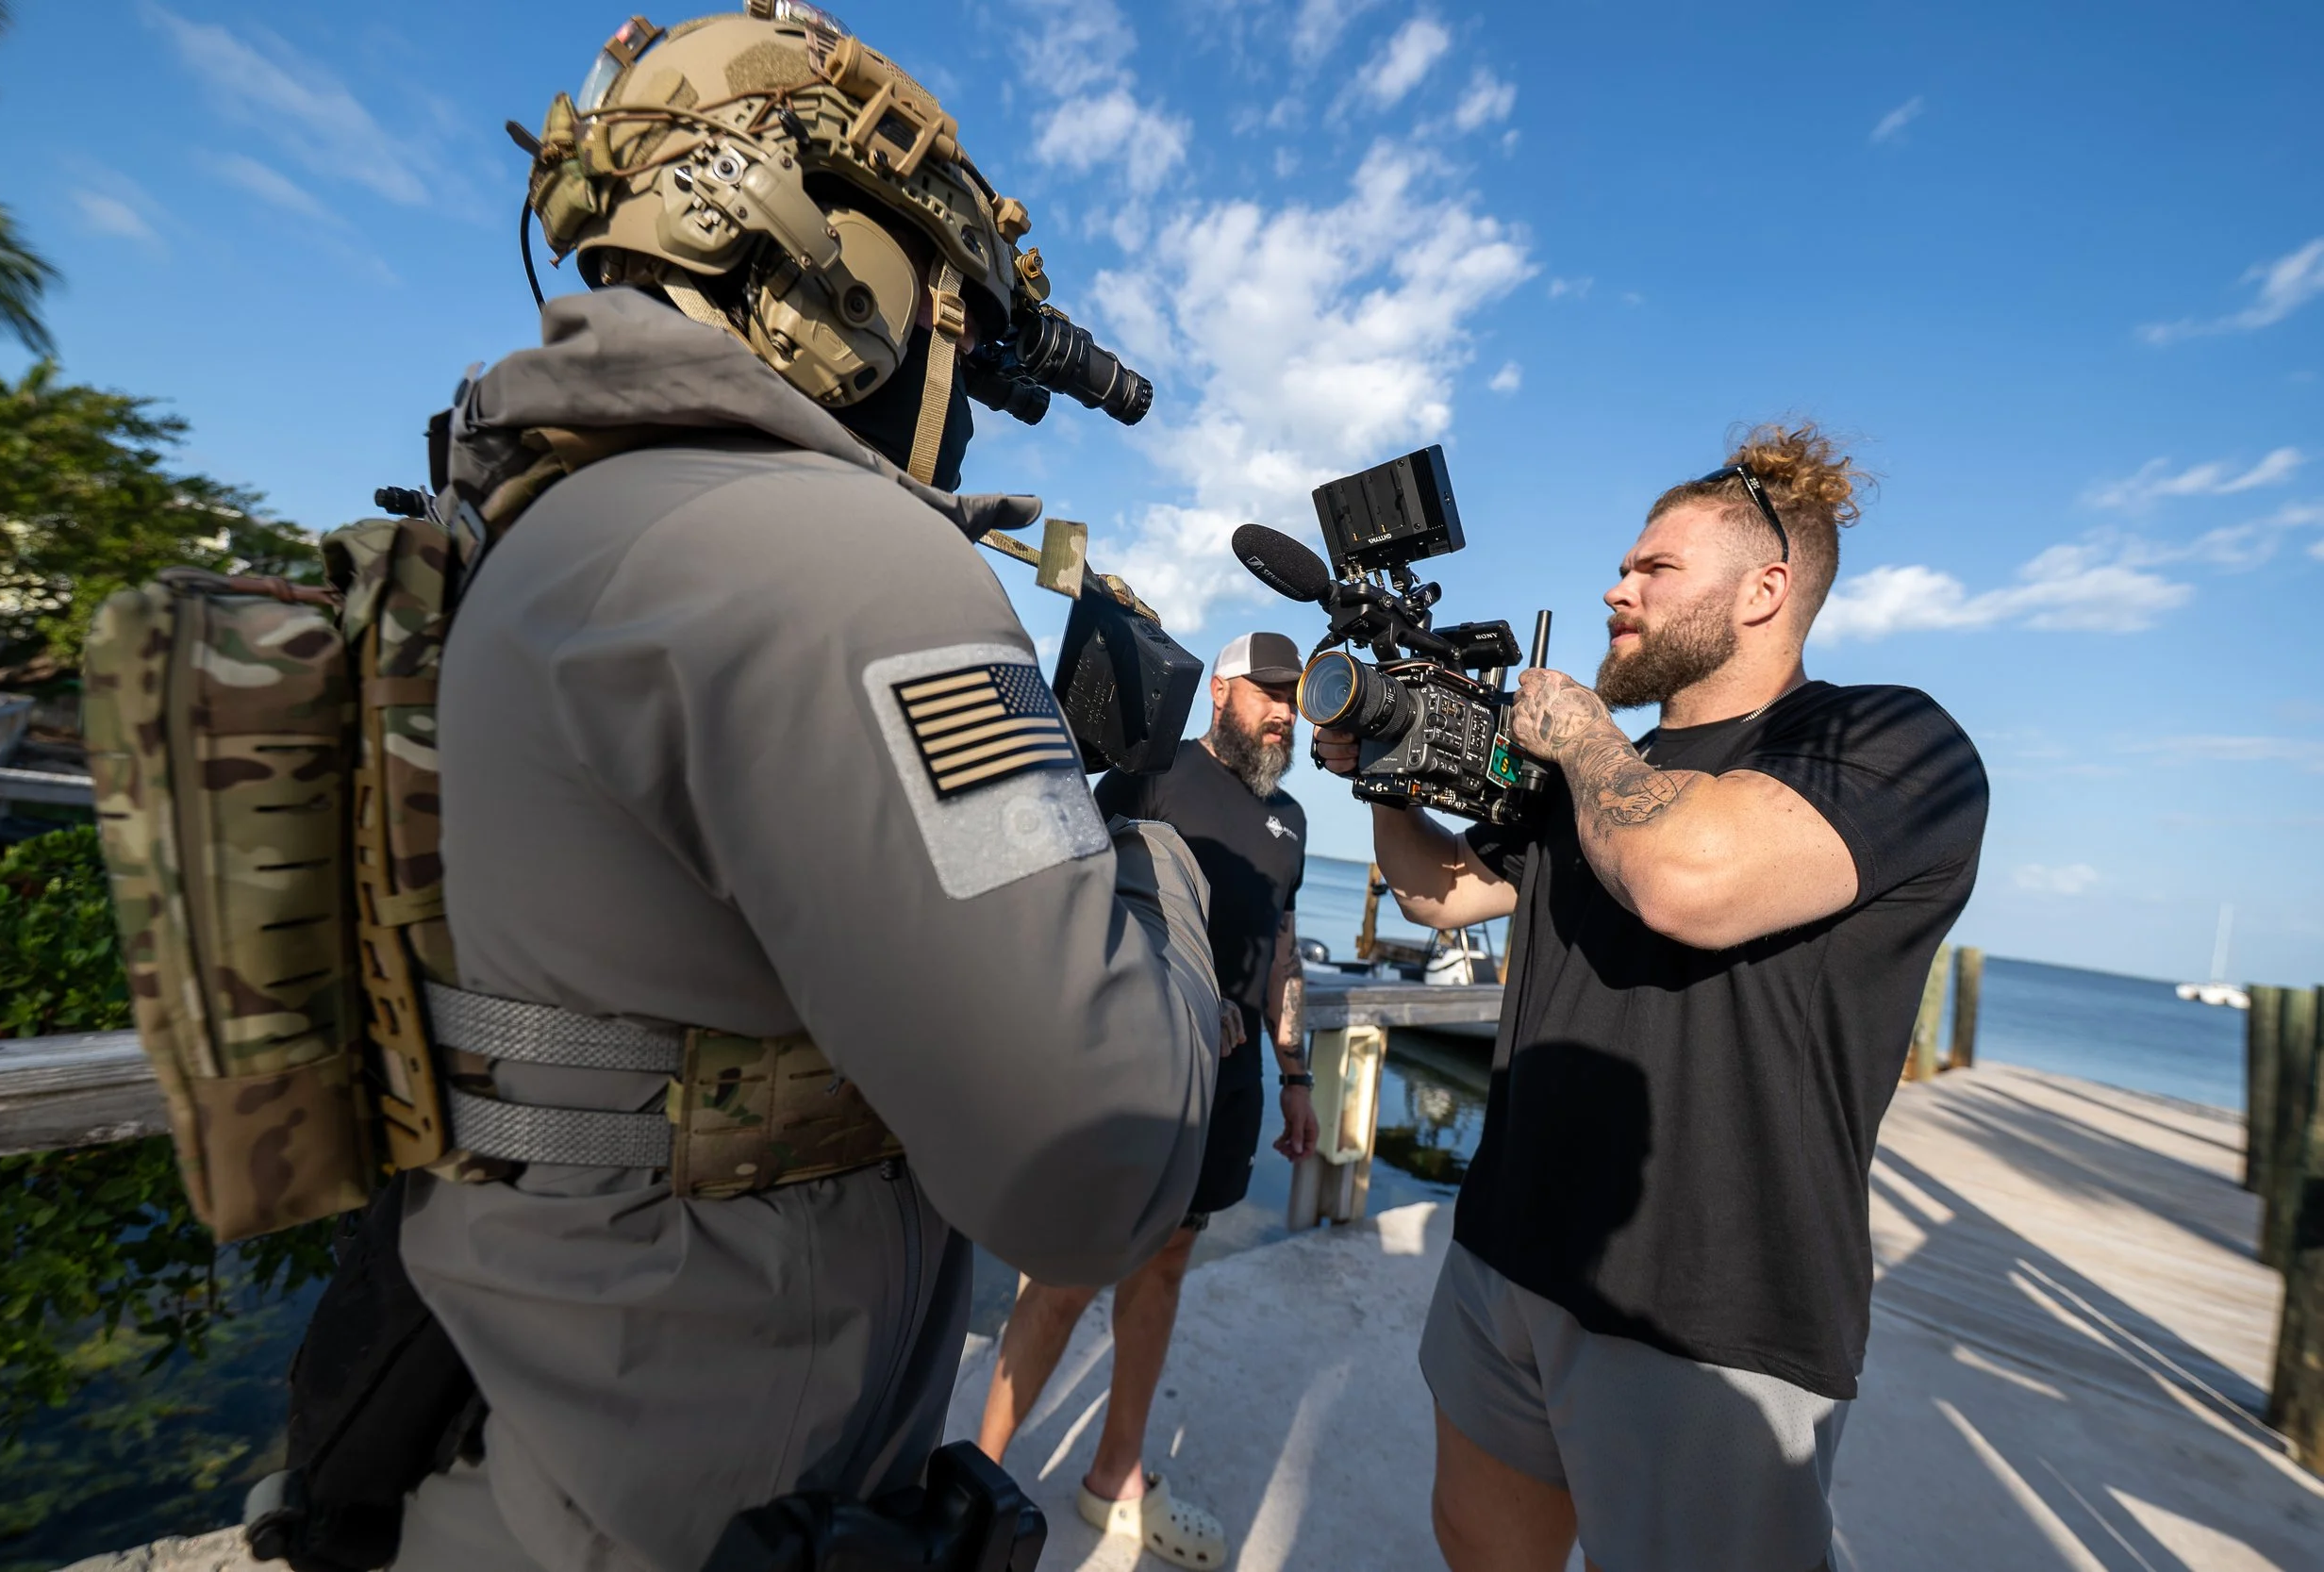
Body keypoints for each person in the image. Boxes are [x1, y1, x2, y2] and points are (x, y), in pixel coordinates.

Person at [383, 11, 1224, 1572]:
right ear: (851, 268)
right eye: (962, 327)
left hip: (518, 1444)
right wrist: (1166, 855)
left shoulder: (537, 535)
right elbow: (1087, 1173)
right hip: (695, 1511)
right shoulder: (831, 555)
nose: (960, 396)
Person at [1315, 425, 1989, 1572]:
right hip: (1507, 1253)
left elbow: (1686, 878)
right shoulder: (1599, 779)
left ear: (1764, 589)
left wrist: (1577, 733)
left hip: (1710, 1311)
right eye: (1623, 567)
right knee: (1476, 1544)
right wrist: (1377, 768)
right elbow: (1438, 896)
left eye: (1653, 569)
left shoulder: (1885, 738)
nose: (1614, 589)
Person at [975, 631, 1320, 1569]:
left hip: (1234, 1085)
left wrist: (1296, 1074)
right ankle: (975, 1478)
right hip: (1138, 1066)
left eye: (1295, 695)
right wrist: (1167, 999)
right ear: (1221, 688)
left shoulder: (1290, 815)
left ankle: (1113, 1476)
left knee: (1165, 1267)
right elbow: (1075, 893)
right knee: (1068, 1270)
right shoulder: (1154, 771)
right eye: (1268, 691)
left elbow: (1282, 946)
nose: (1285, 708)